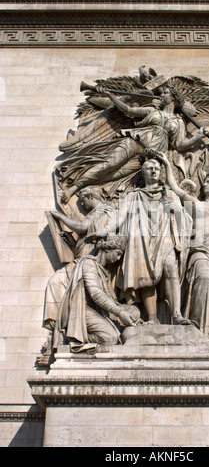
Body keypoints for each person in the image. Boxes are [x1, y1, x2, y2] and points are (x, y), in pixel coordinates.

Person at [90, 150, 192, 325]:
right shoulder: (132, 195)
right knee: (145, 276)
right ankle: (152, 318)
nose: (153, 171)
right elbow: (120, 217)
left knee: (171, 270)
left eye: (157, 169)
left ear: (161, 172)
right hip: (141, 239)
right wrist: (104, 230)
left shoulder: (168, 193)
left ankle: (177, 314)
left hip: (164, 236)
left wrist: (174, 207)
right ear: (143, 172)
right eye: (149, 168)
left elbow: (184, 215)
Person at [57, 86, 205, 203]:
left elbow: (179, 145)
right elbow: (128, 110)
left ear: (173, 97)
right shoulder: (152, 110)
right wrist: (111, 96)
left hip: (150, 156)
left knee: (117, 174)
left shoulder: (178, 122)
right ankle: (74, 187)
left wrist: (197, 137)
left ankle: (89, 188)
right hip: (135, 141)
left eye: (165, 93)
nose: (161, 95)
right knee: (109, 164)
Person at [155, 151, 209, 337]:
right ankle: (198, 326)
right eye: (205, 182)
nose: (205, 184)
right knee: (203, 278)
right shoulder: (195, 203)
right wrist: (165, 163)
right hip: (202, 249)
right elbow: (174, 187)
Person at [43, 186, 116, 332]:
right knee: (58, 283)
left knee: (56, 281)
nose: (81, 205)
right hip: (84, 260)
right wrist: (72, 242)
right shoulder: (96, 212)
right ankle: (60, 326)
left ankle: (58, 325)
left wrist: (60, 216)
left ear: (90, 197)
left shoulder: (103, 210)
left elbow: (83, 227)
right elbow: (87, 237)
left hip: (88, 263)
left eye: (82, 201)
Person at [53, 236, 140, 353]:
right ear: (107, 249)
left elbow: (111, 300)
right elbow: (96, 294)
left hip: (98, 310)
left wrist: (124, 311)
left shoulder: (103, 270)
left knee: (134, 311)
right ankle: (70, 337)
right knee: (110, 338)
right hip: (82, 310)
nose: (118, 258)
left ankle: (113, 327)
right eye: (118, 253)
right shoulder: (89, 264)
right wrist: (120, 313)